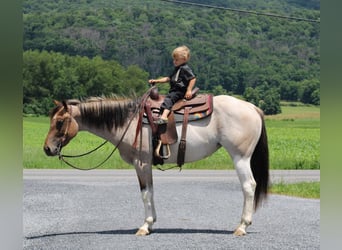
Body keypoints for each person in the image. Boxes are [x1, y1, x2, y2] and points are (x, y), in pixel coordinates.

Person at [149, 45, 197, 124]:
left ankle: (164, 117)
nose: (174, 61)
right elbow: (168, 78)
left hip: (179, 91)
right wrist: (156, 80)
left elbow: (193, 78)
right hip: (174, 90)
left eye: (177, 60)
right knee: (169, 96)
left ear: (184, 59)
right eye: (174, 59)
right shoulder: (177, 68)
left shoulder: (185, 68)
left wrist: (189, 90)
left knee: (169, 99)